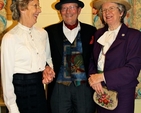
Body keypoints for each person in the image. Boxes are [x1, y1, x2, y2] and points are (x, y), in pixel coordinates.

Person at [1, 0, 55, 113]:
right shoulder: (9, 38)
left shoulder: (43, 34)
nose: (39, 10)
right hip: (20, 101)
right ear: (22, 8)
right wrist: (13, 109)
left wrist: (48, 70)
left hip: (40, 97)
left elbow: (48, 60)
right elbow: (6, 81)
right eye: (35, 6)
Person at [44, 0, 97, 113]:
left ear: (79, 10)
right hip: (59, 87)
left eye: (72, 7)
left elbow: (96, 57)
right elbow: (42, 57)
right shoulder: (49, 32)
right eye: (64, 8)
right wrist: (46, 68)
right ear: (60, 12)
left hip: (84, 87)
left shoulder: (91, 31)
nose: (68, 11)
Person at [88, 0, 141, 113]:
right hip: (100, 91)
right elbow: (92, 60)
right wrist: (94, 79)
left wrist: (102, 77)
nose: (107, 12)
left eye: (112, 8)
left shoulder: (133, 36)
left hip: (122, 94)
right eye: (104, 10)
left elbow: (132, 70)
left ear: (121, 12)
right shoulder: (98, 34)